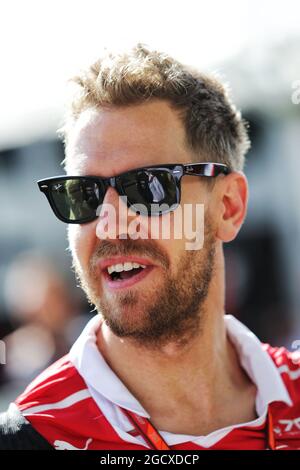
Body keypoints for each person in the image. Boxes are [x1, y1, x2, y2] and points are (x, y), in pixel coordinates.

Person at [1, 44, 299, 450]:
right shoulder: (32, 438)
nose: (108, 226)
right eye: (84, 194)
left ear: (228, 207)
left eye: (148, 187)